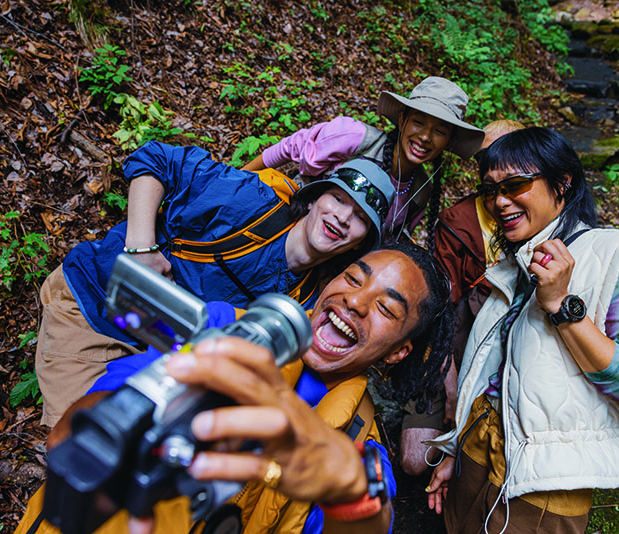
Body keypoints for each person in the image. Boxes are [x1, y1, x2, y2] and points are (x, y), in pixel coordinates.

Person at [16, 242, 454, 534]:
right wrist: (166, 395)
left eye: (384, 307)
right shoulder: (226, 327)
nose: (355, 302)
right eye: (353, 280)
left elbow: (373, 521)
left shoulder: (358, 446)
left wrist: (349, 492)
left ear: (398, 352)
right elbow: (74, 428)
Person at [35, 141, 395, 427]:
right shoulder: (248, 202)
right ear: (315, 198)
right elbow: (156, 158)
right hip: (100, 310)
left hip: (167, 356)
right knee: (90, 439)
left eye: (361, 217)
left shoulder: (312, 297)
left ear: (362, 242)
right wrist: (142, 248)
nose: (342, 217)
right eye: (338, 198)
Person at [425, 127, 619, 534]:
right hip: (477, 443)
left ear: (563, 182)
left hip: (542, 482)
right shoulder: (515, 262)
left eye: (516, 184)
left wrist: (562, 305)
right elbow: (493, 367)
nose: (499, 201)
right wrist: (454, 448)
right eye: (490, 190)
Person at [399, 120, 523, 476]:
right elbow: (438, 308)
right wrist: (449, 383)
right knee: (415, 460)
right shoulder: (458, 222)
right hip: (450, 349)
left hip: (505, 360)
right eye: (488, 161)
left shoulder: (539, 219)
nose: (498, 171)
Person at [242, 76, 484, 242]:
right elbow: (286, 149)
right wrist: (236, 179)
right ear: (402, 120)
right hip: (280, 233)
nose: (425, 137)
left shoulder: (420, 191)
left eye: (440, 131)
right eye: (418, 122)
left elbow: (391, 241)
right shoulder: (355, 137)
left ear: (449, 142)